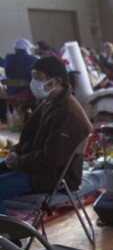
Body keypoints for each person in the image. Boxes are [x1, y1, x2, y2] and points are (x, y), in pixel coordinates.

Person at [0, 57, 93, 215]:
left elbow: (50, 158)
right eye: (32, 77)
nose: (33, 82)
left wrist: (20, 162)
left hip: (51, 176)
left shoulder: (68, 113)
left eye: (37, 77)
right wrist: (15, 153)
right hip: (35, 168)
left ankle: (9, 237)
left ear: (56, 81)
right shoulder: (48, 103)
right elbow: (27, 140)